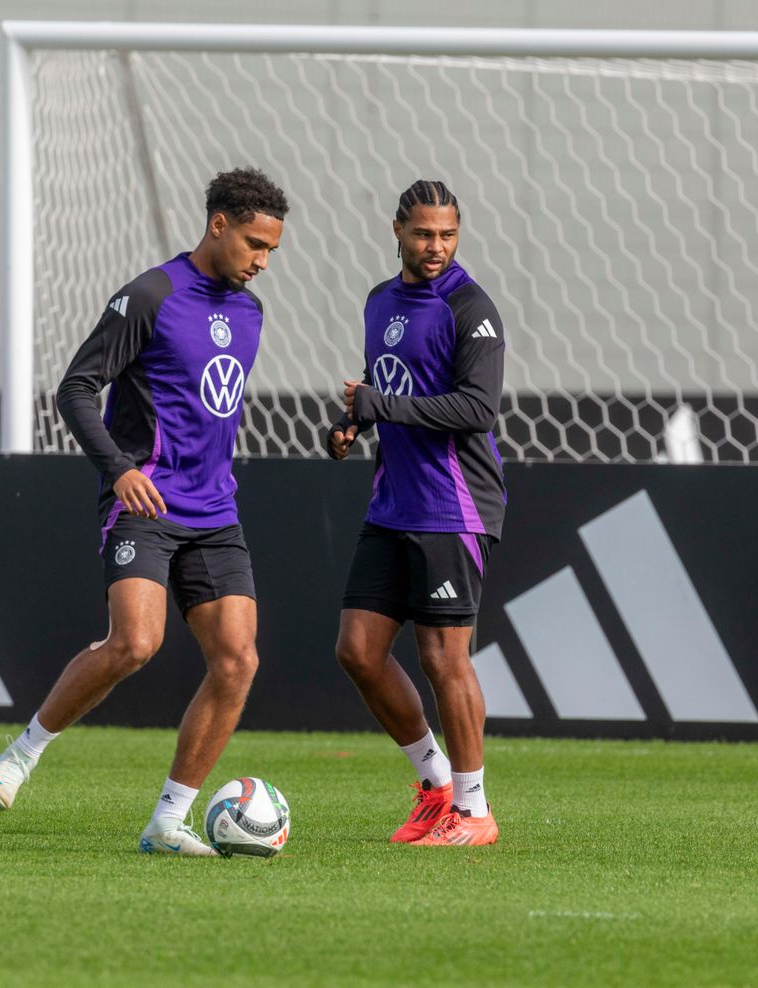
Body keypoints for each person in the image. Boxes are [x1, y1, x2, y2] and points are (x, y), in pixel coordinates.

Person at [0, 167, 288, 857]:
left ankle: (167, 823)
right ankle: (24, 753)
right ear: (219, 226)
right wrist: (118, 471)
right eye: (255, 245)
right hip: (145, 497)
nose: (263, 262)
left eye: (272, 249)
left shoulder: (250, 312)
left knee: (238, 661)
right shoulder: (150, 295)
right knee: (135, 645)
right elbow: (76, 390)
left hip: (214, 511)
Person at [328, 179, 506, 847]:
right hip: (393, 501)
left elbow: (476, 410)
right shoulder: (379, 300)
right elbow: (391, 394)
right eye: (424, 233)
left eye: (447, 235)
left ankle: (474, 810)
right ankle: (434, 786)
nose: (435, 247)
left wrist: (381, 407)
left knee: (442, 656)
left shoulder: (471, 307)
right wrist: (354, 426)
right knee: (358, 649)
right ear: (397, 229)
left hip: (452, 504)